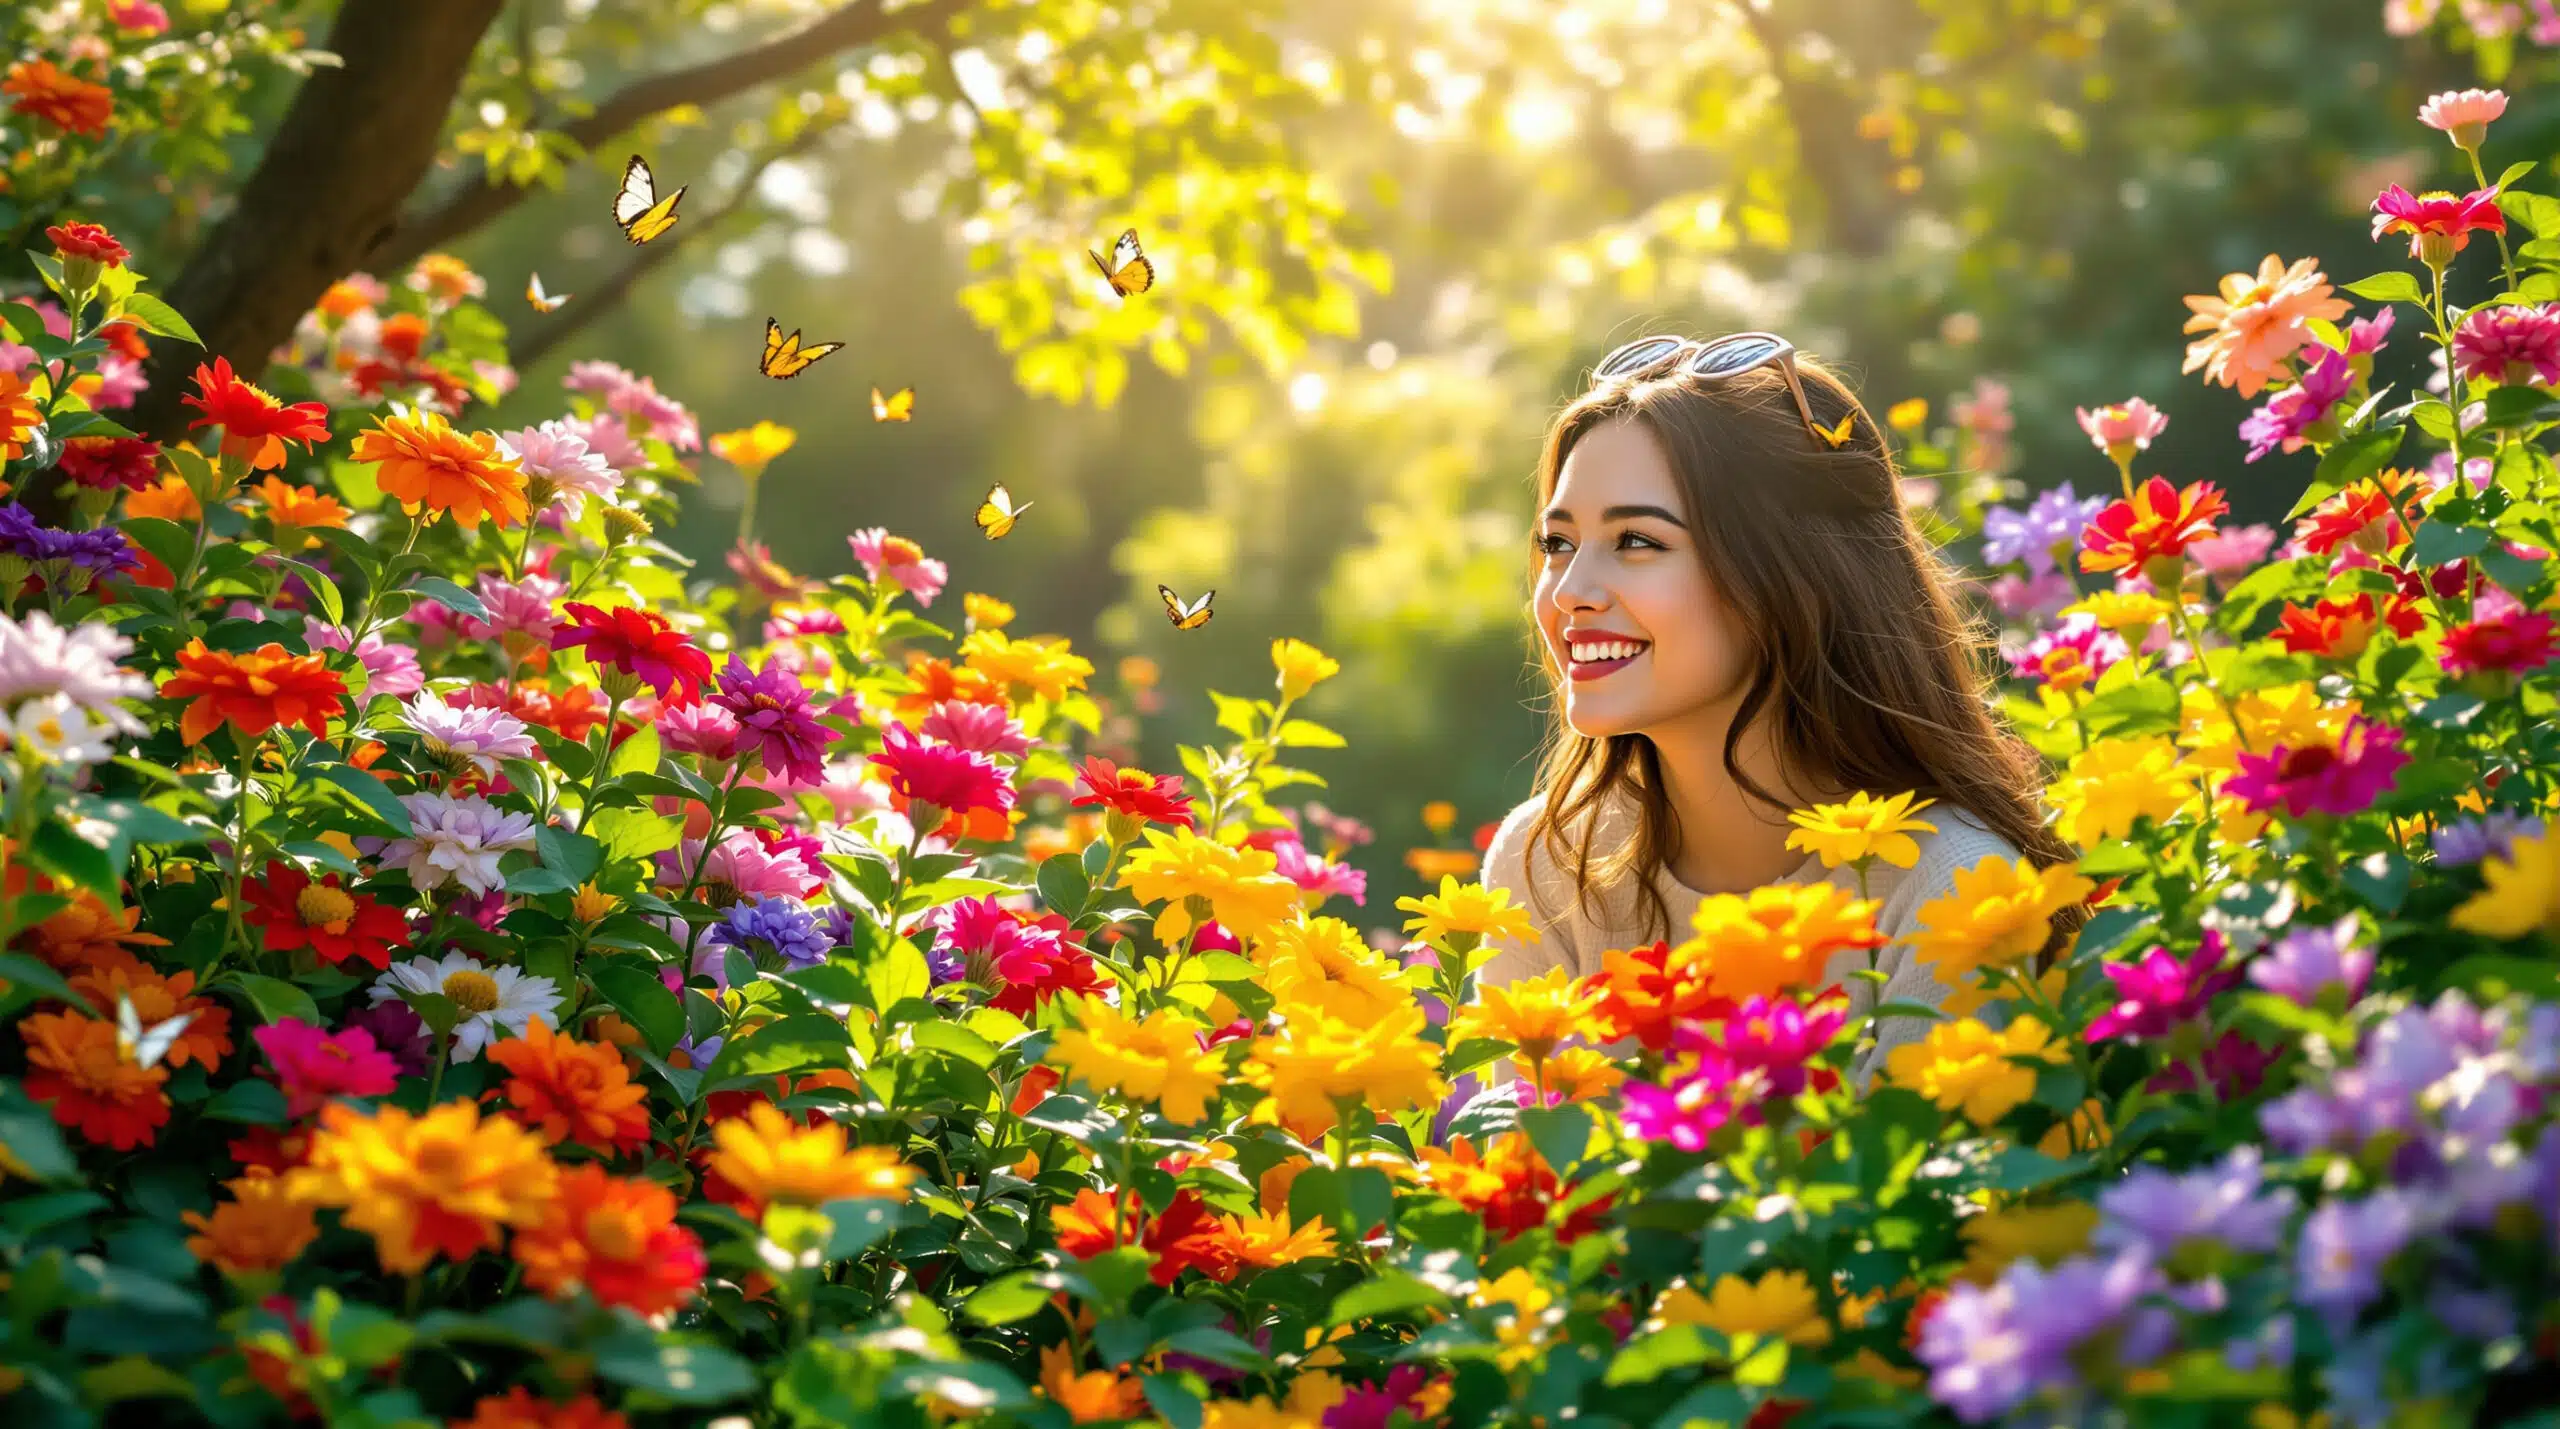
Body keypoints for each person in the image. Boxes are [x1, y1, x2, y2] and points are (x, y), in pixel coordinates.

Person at [1477, 332, 2079, 1080]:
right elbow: (1526, 1149)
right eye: (1558, 543)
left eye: (1635, 540)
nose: (1569, 592)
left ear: (1793, 575)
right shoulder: (1545, 864)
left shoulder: (1954, 887)